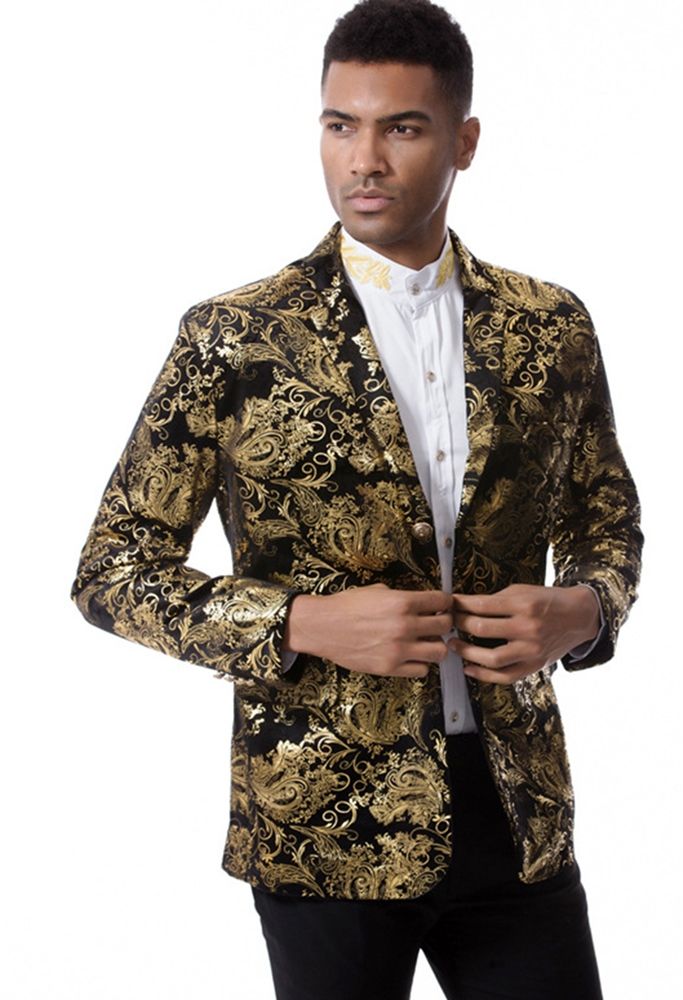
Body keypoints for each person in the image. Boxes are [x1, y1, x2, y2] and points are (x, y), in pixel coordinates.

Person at [71, 1, 643, 997]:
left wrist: (584, 610)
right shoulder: (235, 337)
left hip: (516, 811)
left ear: (464, 141)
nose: (363, 160)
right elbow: (112, 571)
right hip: (322, 828)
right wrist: (298, 621)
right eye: (341, 125)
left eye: (401, 128)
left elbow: (607, 519)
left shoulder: (550, 326)